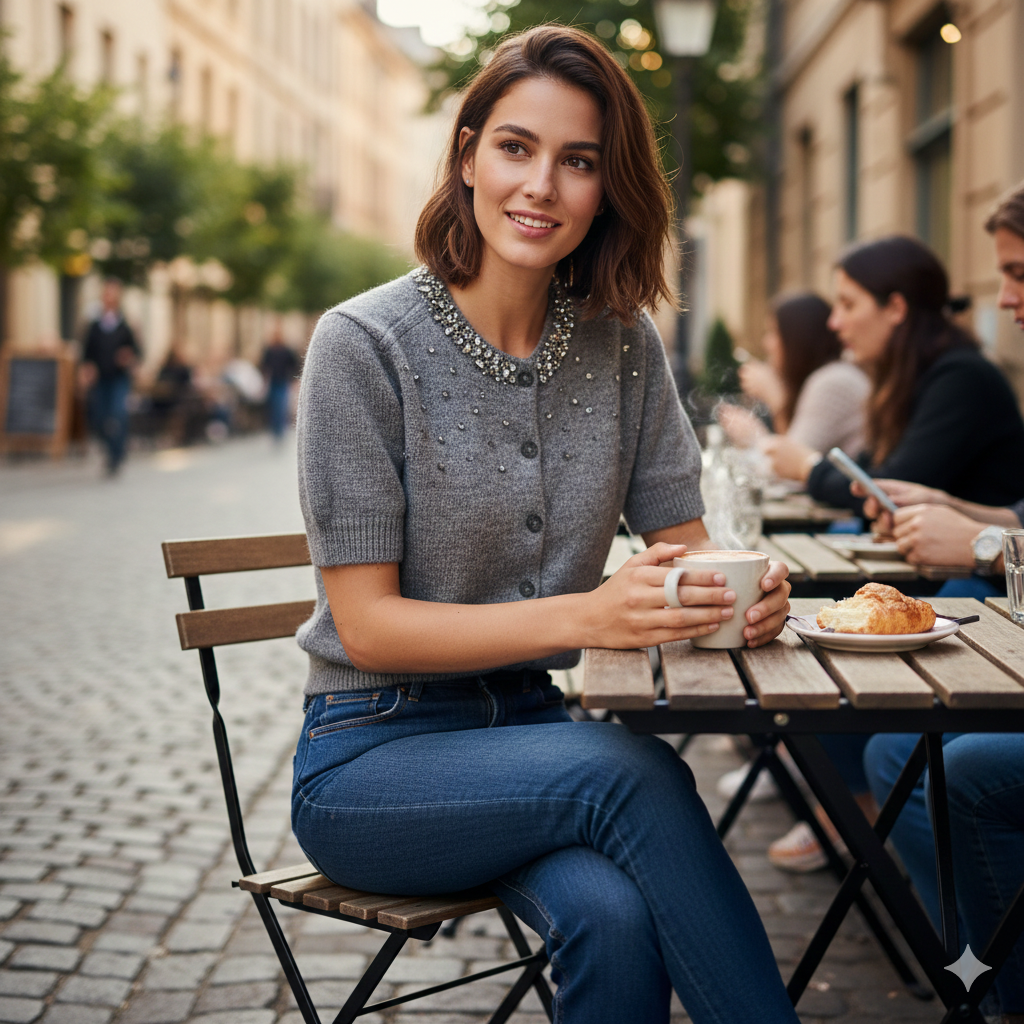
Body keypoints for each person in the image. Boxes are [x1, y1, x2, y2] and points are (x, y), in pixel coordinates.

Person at [290, 26, 798, 1024]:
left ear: (609, 188)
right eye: (516, 147)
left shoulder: (621, 344)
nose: (541, 188)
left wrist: (741, 595)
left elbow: (680, 551)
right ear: (468, 153)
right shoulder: (361, 345)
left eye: (579, 162)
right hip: (371, 761)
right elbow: (369, 629)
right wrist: (588, 618)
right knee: (627, 771)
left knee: (611, 917)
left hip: (531, 740)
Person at [864, 183, 1024, 1024]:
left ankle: (997, 984)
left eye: (1019, 272)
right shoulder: (922, 375)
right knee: (897, 743)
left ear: (895, 308)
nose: (1002, 298)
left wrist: (986, 545)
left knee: (938, 760)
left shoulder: (960, 374)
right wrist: (978, 524)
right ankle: (979, 961)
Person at [761, 235, 1024, 512]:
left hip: (995, 553)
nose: (834, 322)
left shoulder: (962, 378)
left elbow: (892, 488)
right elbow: (869, 470)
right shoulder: (907, 377)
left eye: (848, 305)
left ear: (896, 309)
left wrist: (808, 467)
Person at [718, 292, 869, 475]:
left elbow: (788, 468)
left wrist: (755, 433)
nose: (767, 344)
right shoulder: (825, 377)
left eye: (773, 332)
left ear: (798, 337)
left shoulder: (833, 382)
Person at [80, 278, 140, 474]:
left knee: (118, 414)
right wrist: (87, 368)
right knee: (98, 417)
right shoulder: (95, 325)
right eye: (106, 293)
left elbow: (137, 352)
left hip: (119, 378)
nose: (109, 297)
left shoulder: (125, 324)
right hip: (100, 379)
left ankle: (117, 454)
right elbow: (86, 352)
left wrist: (128, 357)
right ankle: (110, 449)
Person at [260, 329, 300, 441]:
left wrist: (293, 379)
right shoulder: (269, 350)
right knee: (274, 406)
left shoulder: (286, 350)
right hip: (273, 381)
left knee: (281, 406)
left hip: (283, 381)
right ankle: (275, 429)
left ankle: (281, 429)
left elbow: (294, 365)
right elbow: (264, 365)